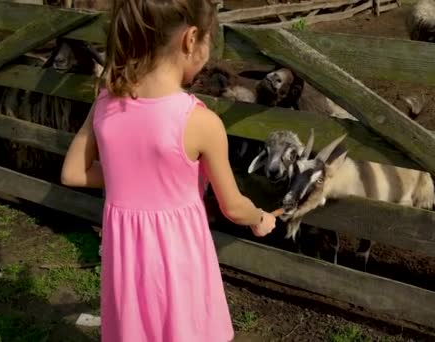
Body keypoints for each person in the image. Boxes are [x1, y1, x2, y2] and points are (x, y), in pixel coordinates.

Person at [60, 0, 278, 340]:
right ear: (192, 40)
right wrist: (260, 218)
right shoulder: (201, 122)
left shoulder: (105, 102)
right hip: (179, 265)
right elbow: (233, 207)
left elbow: (72, 172)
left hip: (127, 265)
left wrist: (130, 177)